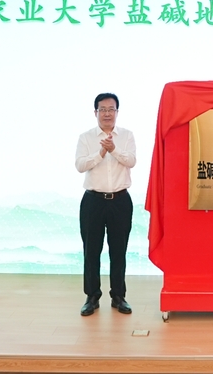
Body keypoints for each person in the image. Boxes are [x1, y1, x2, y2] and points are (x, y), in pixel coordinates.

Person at [75, 93, 137, 316]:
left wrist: (114, 149)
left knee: (119, 251)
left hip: (120, 200)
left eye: (111, 109)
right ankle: (92, 297)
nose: (107, 113)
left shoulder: (127, 136)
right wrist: (101, 152)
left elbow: (131, 161)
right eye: (103, 109)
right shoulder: (86, 138)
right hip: (93, 201)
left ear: (117, 112)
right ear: (96, 112)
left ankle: (118, 296)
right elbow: (80, 165)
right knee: (91, 251)